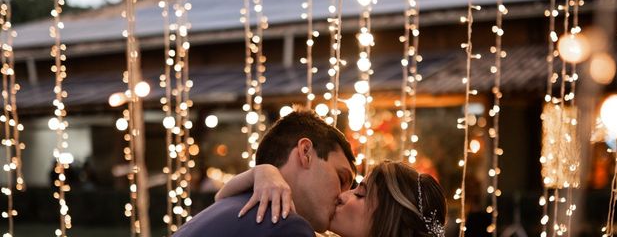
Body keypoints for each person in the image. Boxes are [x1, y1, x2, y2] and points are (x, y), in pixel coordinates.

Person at [174, 109, 357, 237]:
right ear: (306, 152)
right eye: (341, 179)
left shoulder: (226, 207)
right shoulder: (286, 226)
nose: (342, 196)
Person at [219, 159, 447, 237]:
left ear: (389, 218)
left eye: (360, 194)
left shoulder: (296, 230)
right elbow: (221, 203)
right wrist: (263, 172)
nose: (342, 196)